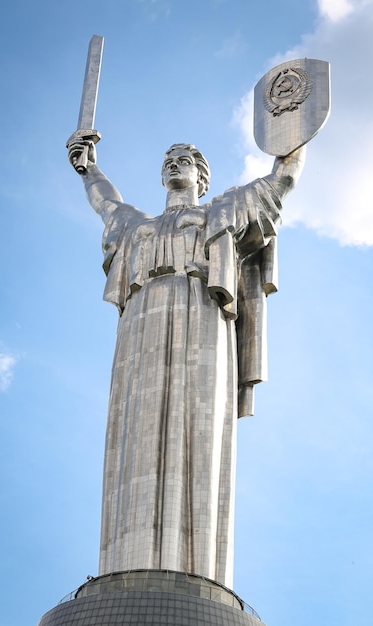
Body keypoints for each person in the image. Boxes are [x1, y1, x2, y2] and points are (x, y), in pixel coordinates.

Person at [68, 139, 305, 589]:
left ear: (202, 176)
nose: (177, 165)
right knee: (137, 432)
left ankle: (196, 577)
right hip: (140, 327)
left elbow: (282, 182)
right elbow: (105, 203)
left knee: (196, 427)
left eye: (187, 161)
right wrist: (87, 170)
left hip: (204, 314)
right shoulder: (137, 225)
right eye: (169, 160)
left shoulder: (223, 210)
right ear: (162, 176)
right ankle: (125, 572)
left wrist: (293, 133)